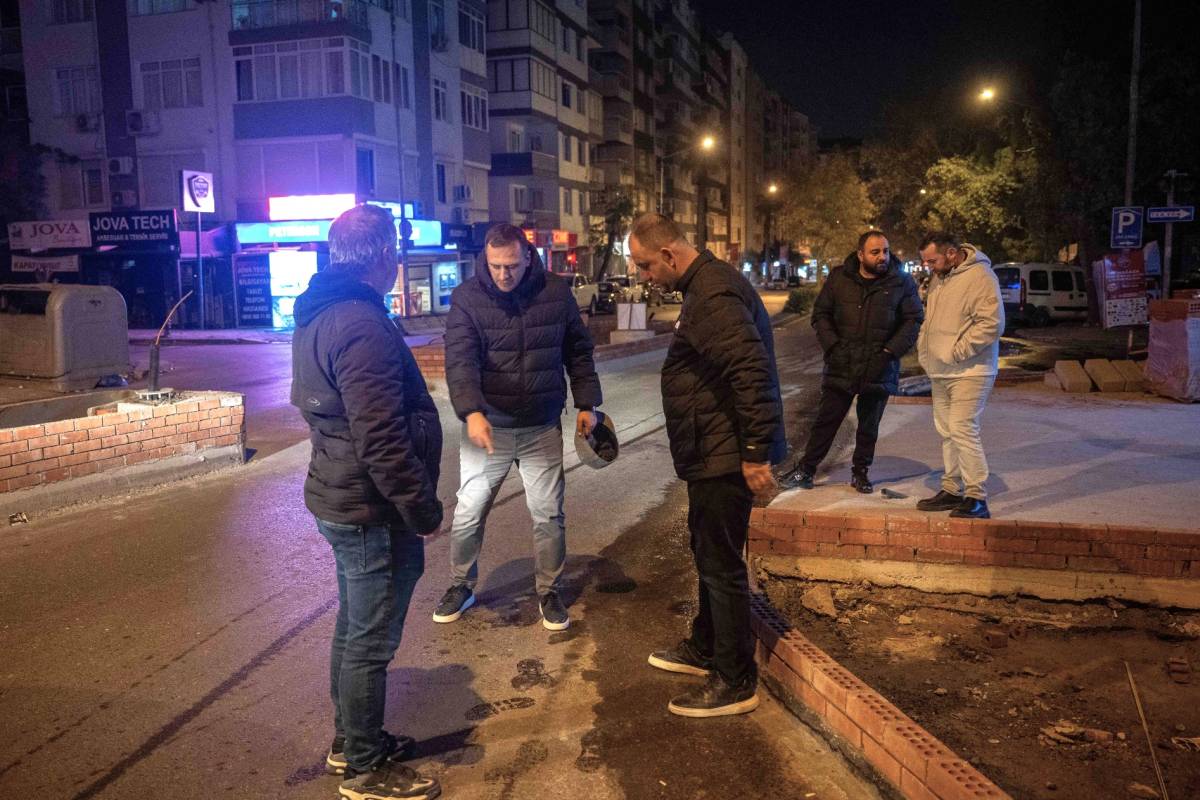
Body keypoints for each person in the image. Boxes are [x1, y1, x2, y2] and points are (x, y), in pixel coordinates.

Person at [290, 204, 443, 800]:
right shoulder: (358, 322)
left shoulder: (322, 313)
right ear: (384, 256)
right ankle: (364, 768)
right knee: (370, 638)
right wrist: (421, 509)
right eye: (396, 253)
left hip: (346, 495)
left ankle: (350, 741)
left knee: (356, 627)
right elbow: (379, 436)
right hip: (369, 506)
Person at [627, 213, 786, 718]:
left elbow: (750, 371)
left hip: (724, 455)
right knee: (707, 553)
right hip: (712, 449)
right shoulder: (707, 287)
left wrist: (756, 453)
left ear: (671, 255)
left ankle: (735, 679)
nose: (645, 276)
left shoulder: (713, 295)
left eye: (647, 266)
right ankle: (706, 647)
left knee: (721, 565)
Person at [435, 223, 602, 631]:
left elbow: (578, 351)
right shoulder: (468, 298)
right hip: (487, 427)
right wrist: (471, 411)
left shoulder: (555, 292)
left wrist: (587, 403)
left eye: (511, 266)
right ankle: (461, 584)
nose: (503, 275)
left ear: (527, 256)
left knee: (548, 515)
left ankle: (549, 590)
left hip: (541, 425)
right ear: (485, 261)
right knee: (469, 513)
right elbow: (460, 361)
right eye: (495, 266)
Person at [779, 231, 923, 493]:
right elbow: (821, 314)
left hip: (879, 365)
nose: (882, 257)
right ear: (860, 254)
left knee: (868, 426)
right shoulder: (839, 278)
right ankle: (806, 470)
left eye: (885, 251)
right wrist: (833, 346)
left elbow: (914, 320)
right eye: (875, 252)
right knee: (826, 421)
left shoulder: (901, 281)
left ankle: (861, 473)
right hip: (842, 363)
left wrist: (889, 352)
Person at [915, 231, 1004, 519]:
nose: (928, 266)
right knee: (947, 430)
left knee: (963, 428)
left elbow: (991, 324)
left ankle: (977, 496)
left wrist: (957, 351)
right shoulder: (942, 277)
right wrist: (927, 350)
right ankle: (952, 489)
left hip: (971, 370)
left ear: (952, 253)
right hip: (941, 370)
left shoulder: (981, 277)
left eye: (932, 260)